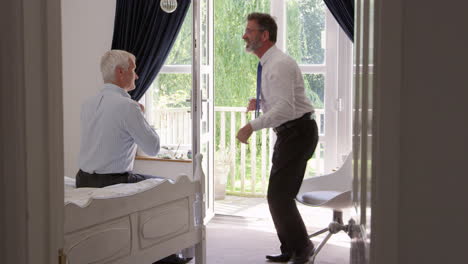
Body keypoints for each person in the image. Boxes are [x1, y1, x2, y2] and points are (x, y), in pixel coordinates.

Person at [76, 50, 191, 264]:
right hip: (114, 182)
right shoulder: (128, 107)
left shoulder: (87, 104)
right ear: (121, 73)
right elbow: (154, 147)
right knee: (166, 187)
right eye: (133, 69)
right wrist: (142, 116)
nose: (137, 75)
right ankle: (165, 256)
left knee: (154, 183)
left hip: (82, 179)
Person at [236, 13, 319, 264]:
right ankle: (290, 248)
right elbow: (284, 101)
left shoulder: (279, 64)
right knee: (278, 195)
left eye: (249, 31)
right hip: (292, 133)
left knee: (279, 196)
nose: (244, 35)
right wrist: (261, 102)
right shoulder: (269, 63)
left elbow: (284, 109)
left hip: (297, 133)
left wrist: (251, 126)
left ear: (264, 35)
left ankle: (303, 248)